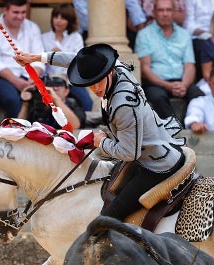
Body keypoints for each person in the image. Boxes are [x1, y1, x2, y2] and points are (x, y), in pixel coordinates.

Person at [15, 43, 188, 221]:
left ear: (109, 72)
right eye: (90, 84)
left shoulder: (123, 105)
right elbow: (75, 60)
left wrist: (101, 142)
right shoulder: (116, 67)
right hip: (151, 145)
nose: (96, 88)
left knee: (106, 220)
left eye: (99, 81)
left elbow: (129, 153)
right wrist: (35, 57)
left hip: (156, 164)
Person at [135, 0, 203, 120]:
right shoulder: (144, 34)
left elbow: (189, 66)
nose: (165, 14)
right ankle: (176, 131)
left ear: (174, 12)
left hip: (181, 81)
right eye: (161, 10)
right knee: (158, 97)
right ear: (154, 13)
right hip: (156, 83)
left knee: (198, 96)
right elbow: (145, 69)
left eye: (168, 10)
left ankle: (186, 125)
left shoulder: (184, 34)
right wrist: (168, 86)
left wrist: (184, 85)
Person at [0, 0, 44, 119]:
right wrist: (16, 81)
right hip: (2, 77)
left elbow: (39, 58)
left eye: (23, 12)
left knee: (42, 97)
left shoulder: (32, 27)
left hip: (30, 76)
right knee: (12, 99)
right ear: (5, 10)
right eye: (16, 12)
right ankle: (18, 133)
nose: (20, 16)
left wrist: (32, 79)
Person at [40, 3, 92, 112]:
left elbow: (79, 62)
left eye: (63, 18)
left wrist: (61, 56)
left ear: (69, 21)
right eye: (56, 17)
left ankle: (81, 124)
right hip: (49, 79)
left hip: (69, 80)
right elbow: (39, 62)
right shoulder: (44, 38)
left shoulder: (76, 37)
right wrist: (49, 57)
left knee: (87, 102)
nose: (58, 21)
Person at [17, 73, 84, 129]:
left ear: (66, 91)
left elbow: (74, 126)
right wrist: (25, 103)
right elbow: (19, 127)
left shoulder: (74, 106)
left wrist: (55, 98)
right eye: (51, 85)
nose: (55, 88)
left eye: (59, 84)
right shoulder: (39, 106)